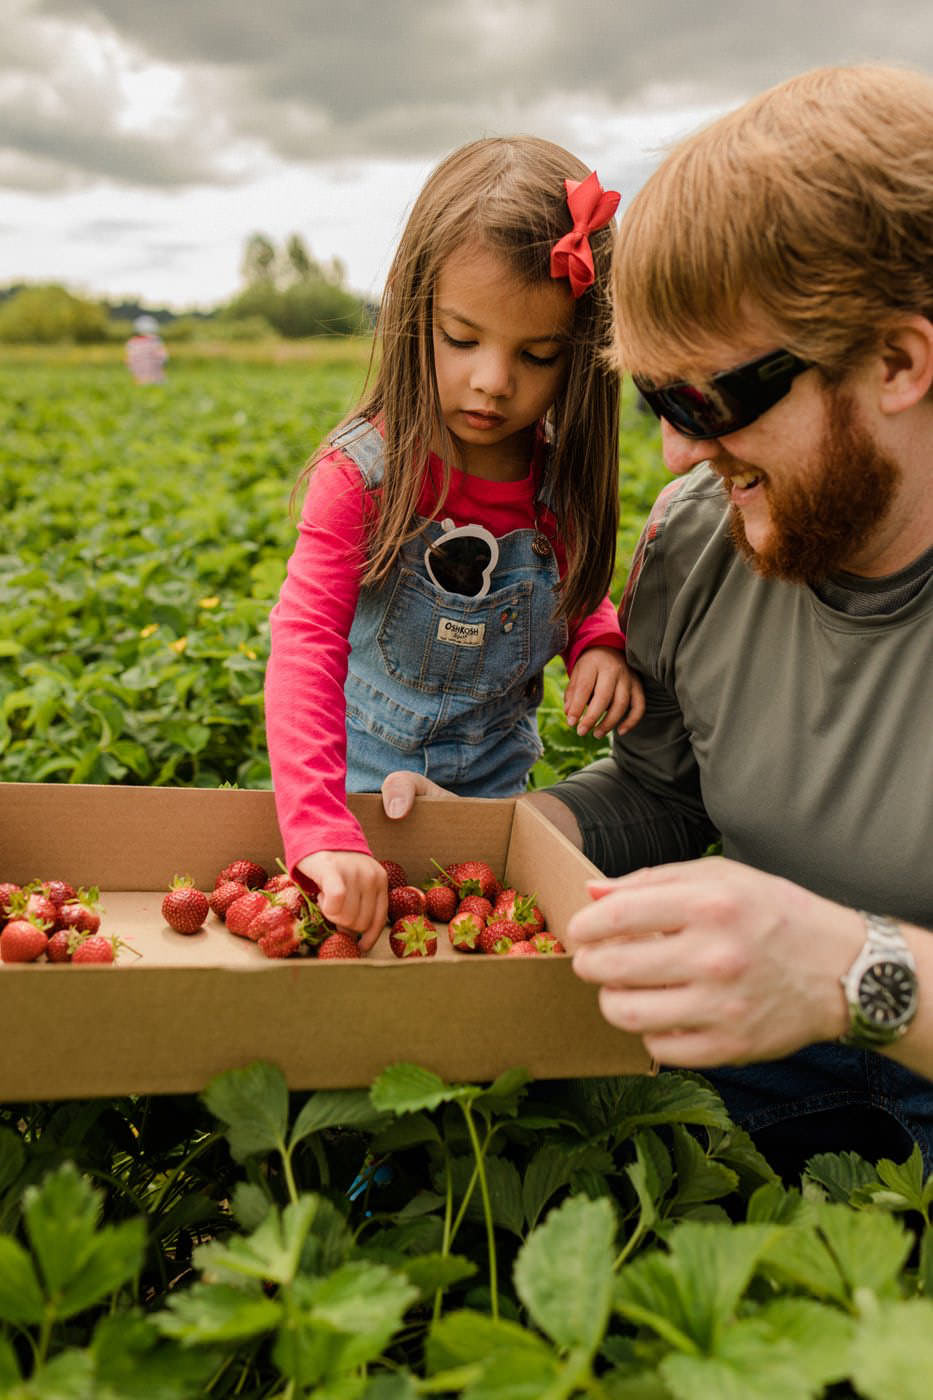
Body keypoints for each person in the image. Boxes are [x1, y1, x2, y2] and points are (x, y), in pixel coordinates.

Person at [381, 64, 933, 1178]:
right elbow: (660, 788)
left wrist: (849, 968)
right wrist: (502, 845)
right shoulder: (701, 532)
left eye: (709, 401)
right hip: (772, 1052)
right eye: (654, 400)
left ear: (895, 360)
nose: (678, 451)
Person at [265, 137, 645, 950]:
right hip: (355, 796)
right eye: (462, 338)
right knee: (354, 967)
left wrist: (595, 639)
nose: (493, 381)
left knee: (467, 970)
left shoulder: (558, 484)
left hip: (495, 800)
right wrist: (319, 828)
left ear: (578, 357)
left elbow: (575, 588)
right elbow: (304, 642)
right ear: (414, 315)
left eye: (536, 354)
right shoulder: (364, 475)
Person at [125, 314, 167, 385]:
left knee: (141, 384)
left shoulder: (132, 342)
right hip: (155, 373)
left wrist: (131, 367)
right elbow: (162, 357)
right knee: (156, 384)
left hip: (139, 374)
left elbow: (129, 360)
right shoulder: (155, 341)